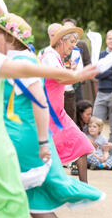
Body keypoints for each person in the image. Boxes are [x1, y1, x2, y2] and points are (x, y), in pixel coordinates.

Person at [0, 11, 105, 218]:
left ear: (9, 39)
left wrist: (44, 142)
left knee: (3, 206)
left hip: (16, 140)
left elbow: (40, 100)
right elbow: (5, 21)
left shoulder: (15, 61)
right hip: (19, 138)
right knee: (35, 203)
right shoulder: (15, 59)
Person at [40, 24, 95, 183]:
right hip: (48, 114)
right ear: (61, 41)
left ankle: (84, 187)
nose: (74, 45)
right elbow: (60, 78)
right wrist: (80, 75)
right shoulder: (50, 55)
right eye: (71, 41)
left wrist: (78, 73)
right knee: (47, 156)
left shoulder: (57, 56)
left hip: (58, 113)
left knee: (81, 144)